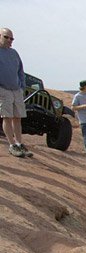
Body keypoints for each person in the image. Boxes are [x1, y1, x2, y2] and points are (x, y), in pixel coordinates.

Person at [0, 27, 30, 158]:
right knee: (7, 117)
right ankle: (12, 145)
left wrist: (22, 87)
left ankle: (19, 143)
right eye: (6, 37)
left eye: (11, 38)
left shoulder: (14, 53)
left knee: (17, 118)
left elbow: (20, 71)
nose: (9, 40)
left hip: (16, 90)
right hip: (3, 89)